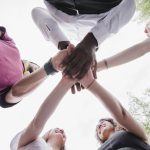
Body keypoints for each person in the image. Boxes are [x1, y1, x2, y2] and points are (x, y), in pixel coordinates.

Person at [31, 0, 136, 79]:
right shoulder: (110, 26)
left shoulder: (64, 28)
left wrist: (64, 47)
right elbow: (129, 5)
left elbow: (36, 12)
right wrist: (90, 42)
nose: (79, 59)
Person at [0, 26, 71, 108]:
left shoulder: (7, 92)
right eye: (33, 70)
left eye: (32, 74)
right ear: (28, 62)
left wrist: (50, 68)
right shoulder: (11, 44)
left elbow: (16, 92)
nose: (31, 73)